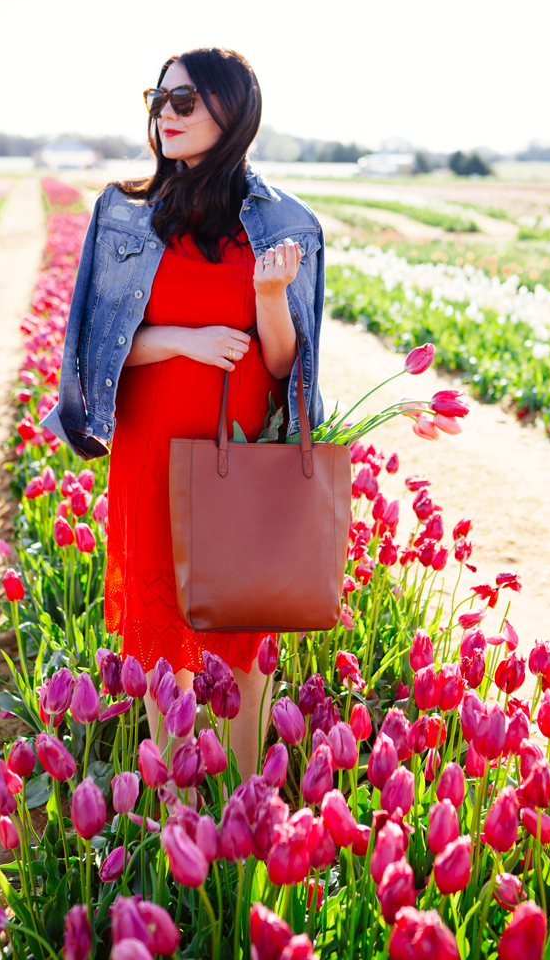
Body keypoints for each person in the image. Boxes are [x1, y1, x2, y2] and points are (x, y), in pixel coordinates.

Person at [41, 46, 326, 781]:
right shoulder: (124, 212)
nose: (165, 115)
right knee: (159, 642)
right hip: (152, 448)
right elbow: (93, 352)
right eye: (158, 100)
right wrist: (180, 340)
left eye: (185, 101)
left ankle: (240, 810)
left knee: (242, 631)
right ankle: (171, 813)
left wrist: (269, 299)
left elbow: (287, 369)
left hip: (239, 449)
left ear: (233, 111)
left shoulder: (285, 223)